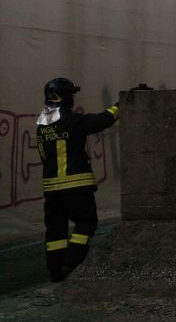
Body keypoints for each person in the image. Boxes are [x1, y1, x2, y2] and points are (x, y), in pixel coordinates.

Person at [36, 78, 119, 282]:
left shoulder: (43, 123)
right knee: (86, 223)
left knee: (56, 231)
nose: (73, 97)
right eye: (71, 94)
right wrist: (120, 106)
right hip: (75, 185)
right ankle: (72, 263)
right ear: (63, 96)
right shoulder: (71, 121)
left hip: (51, 188)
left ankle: (55, 271)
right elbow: (102, 121)